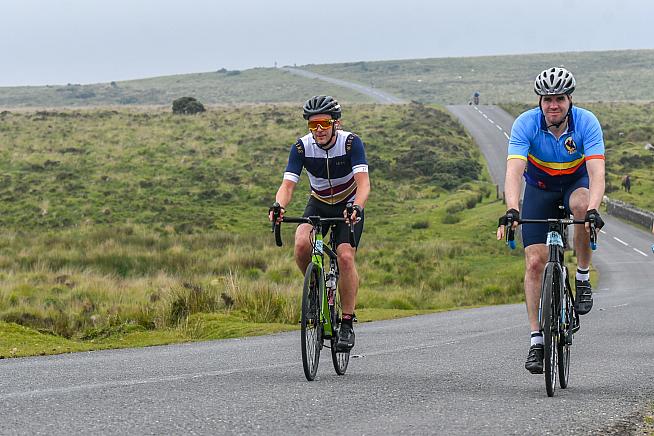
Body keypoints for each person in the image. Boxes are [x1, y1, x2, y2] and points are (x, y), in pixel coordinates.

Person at [496, 67, 606, 374]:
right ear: (539, 101)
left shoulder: (586, 122)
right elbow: (514, 171)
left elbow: (597, 172)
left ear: (570, 99)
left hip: (575, 184)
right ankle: (536, 341)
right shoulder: (525, 124)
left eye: (559, 98)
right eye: (547, 99)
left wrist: (594, 209)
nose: (552, 105)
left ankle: (582, 278)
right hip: (540, 189)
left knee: (582, 206)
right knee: (534, 262)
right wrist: (512, 209)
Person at [269, 95, 370, 351]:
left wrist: (357, 206)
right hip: (319, 201)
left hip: (348, 204)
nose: (319, 130)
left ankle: (346, 322)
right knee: (302, 243)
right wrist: (279, 205)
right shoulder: (302, 148)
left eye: (324, 123)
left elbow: (363, 184)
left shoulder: (350, 144)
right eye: (313, 126)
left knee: (345, 257)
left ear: (337, 123)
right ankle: (315, 292)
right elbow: (288, 185)